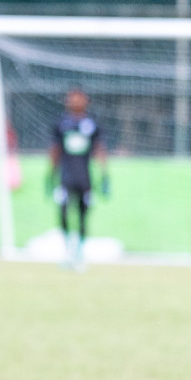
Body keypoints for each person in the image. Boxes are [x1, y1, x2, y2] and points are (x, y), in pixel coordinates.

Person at [48, 87, 108, 271]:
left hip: (85, 179)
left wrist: (105, 175)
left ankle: (80, 253)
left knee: (83, 215)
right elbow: (55, 151)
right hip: (65, 178)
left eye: (79, 98)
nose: (75, 101)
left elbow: (99, 150)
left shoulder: (92, 125)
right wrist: (50, 175)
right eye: (72, 98)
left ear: (86, 100)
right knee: (64, 212)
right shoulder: (61, 123)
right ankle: (67, 251)